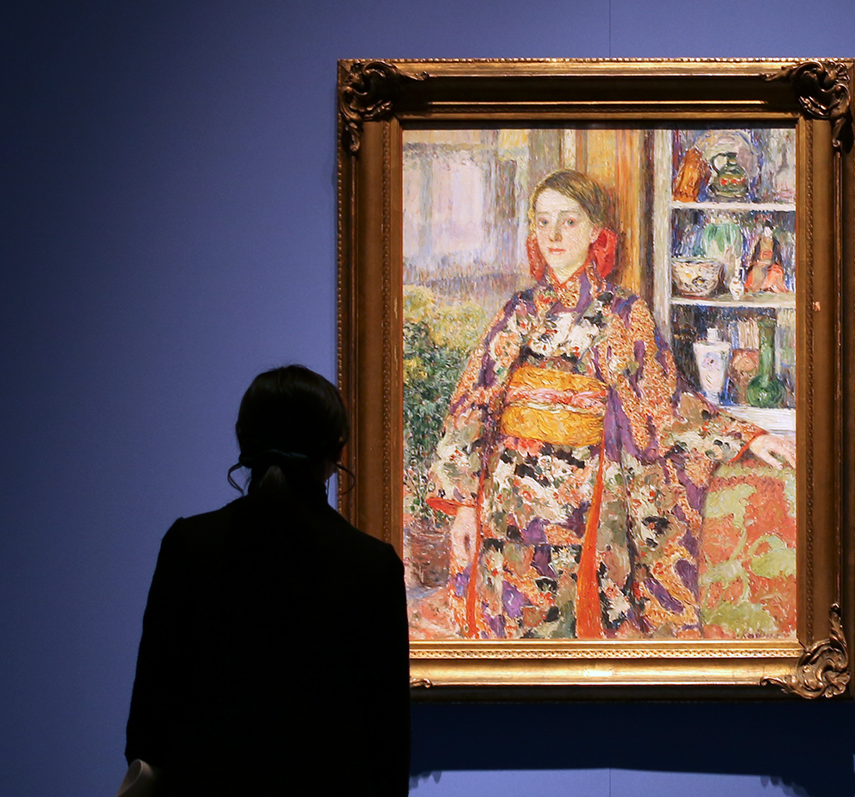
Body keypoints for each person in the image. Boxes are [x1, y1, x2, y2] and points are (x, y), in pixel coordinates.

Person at [426, 169, 795, 640]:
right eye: (543, 222)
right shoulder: (517, 312)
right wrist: (464, 506)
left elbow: (664, 405)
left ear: (595, 232)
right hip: (508, 500)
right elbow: (473, 402)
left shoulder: (623, 312)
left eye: (569, 222)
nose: (554, 235)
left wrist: (747, 437)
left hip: (584, 501)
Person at [125, 365, 409, 797]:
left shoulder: (188, 545)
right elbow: (388, 744)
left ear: (243, 441)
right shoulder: (373, 565)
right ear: (338, 449)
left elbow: (148, 724)